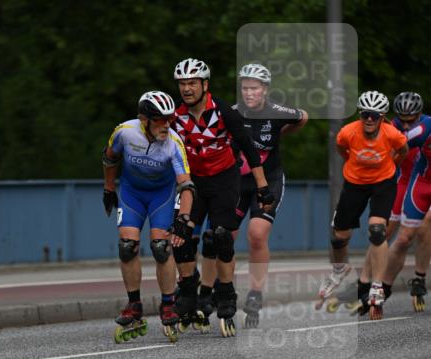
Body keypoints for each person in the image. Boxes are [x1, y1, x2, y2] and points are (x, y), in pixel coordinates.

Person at [170, 57, 272, 337]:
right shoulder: (174, 116)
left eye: (192, 83)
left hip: (225, 181)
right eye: (182, 84)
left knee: (221, 236)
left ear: (205, 85)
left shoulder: (223, 111)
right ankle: (188, 292)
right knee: (180, 236)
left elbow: (249, 148)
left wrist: (263, 187)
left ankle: (226, 295)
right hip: (193, 184)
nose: (187, 89)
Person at [102, 90, 195, 342]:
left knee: (161, 248)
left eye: (170, 119)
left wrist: (184, 218)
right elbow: (109, 158)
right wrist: (108, 189)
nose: (167, 125)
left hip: (160, 197)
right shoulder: (124, 132)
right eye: (160, 120)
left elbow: (186, 185)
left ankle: (168, 303)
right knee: (127, 246)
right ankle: (134, 305)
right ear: (144, 119)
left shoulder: (174, 143)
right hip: (132, 194)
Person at [317, 91, 408, 319]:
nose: (369, 119)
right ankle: (339, 271)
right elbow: (341, 149)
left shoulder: (392, 134)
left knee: (377, 231)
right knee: (339, 237)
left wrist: (392, 164)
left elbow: (403, 151)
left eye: (374, 115)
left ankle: (377, 285)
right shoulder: (347, 132)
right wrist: (353, 163)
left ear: (382, 117)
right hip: (355, 183)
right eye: (365, 114)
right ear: (360, 114)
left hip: (383, 183)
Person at [233, 63, 308, 327]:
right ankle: (223, 290)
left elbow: (303, 117)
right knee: (223, 237)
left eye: (254, 88)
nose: (249, 93)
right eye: (245, 88)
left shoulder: (277, 112)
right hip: (239, 182)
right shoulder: (232, 113)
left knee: (256, 234)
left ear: (265, 89)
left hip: (269, 181)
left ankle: (255, 293)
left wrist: (282, 132)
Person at [351, 92, 430, 313]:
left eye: (410, 120)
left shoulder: (425, 126)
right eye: (401, 119)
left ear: (420, 114)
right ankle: (368, 285)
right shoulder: (388, 125)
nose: (405, 124)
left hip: (420, 181)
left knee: (423, 228)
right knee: (385, 234)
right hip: (401, 181)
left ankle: (419, 276)